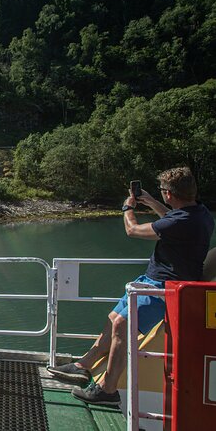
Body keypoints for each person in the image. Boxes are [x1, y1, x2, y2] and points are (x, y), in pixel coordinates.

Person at [47, 167, 214, 405]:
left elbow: (132, 230)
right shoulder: (200, 213)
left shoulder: (181, 222)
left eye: (162, 192)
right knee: (113, 317)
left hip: (164, 288)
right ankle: (84, 364)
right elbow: (170, 215)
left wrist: (128, 208)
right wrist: (152, 201)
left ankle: (107, 390)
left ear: (169, 193)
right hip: (150, 280)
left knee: (122, 326)